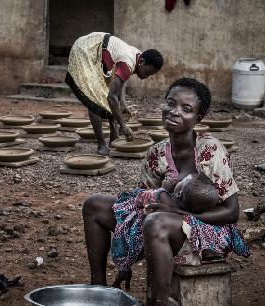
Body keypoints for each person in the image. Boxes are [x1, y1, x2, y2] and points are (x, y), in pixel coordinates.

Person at [82, 78, 250, 306]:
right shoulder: (156, 153)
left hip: (208, 229)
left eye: (186, 109)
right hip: (161, 220)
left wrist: (179, 214)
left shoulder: (211, 150)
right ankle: (99, 291)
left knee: (155, 222)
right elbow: (140, 203)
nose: (174, 112)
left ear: (198, 118)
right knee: (95, 205)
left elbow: (231, 213)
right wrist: (125, 259)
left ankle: (157, 303)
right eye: (170, 103)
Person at [110, 173, 222, 281]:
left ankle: (124, 269)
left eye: (182, 181)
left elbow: (138, 199)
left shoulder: (162, 196)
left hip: (132, 220)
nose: (180, 180)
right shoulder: (187, 216)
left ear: (179, 193)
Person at [65, 32, 163, 155]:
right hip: (86, 49)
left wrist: (123, 104)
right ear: (142, 62)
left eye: (150, 75)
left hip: (99, 49)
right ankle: (101, 144)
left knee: (112, 98)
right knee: (94, 100)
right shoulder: (129, 61)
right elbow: (112, 98)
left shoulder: (138, 56)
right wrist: (123, 125)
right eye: (147, 72)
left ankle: (114, 139)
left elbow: (119, 84)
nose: (147, 76)